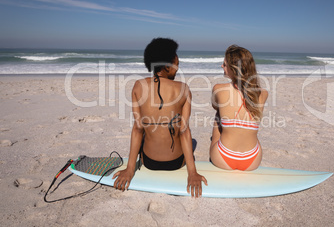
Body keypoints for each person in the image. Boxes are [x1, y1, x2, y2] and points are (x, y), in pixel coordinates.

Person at [113, 38, 207, 197]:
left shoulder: (138, 85)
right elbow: (184, 132)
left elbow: (137, 129)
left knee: (145, 131)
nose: (178, 65)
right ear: (167, 65)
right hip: (176, 163)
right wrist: (192, 173)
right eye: (176, 60)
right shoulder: (183, 89)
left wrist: (130, 170)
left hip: (149, 162)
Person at [210, 45, 268, 171]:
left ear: (233, 68)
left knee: (218, 116)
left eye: (224, 64)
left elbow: (215, 106)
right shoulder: (263, 93)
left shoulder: (218, 89)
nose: (222, 66)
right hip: (253, 159)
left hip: (223, 156)